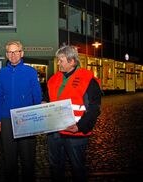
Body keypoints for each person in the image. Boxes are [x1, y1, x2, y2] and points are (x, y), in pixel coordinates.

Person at [42, 45, 102, 182]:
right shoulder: (53, 79)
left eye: (61, 61)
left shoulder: (88, 79)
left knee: (78, 169)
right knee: (55, 168)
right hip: (54, 133)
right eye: (58, 60)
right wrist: (44, 102)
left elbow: (94, 108)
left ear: (72, 62)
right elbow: (47, 97)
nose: (58, 63)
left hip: (76, 134)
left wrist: (79, 127)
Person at [0, 41, 42, 182]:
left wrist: (37, 118)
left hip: (26, 118)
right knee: (9, 158)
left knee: (28, 158)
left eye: (16, 51)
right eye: (10, 52)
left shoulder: (30, 71)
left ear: (22, 53)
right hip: (7, 119)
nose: (13, 55)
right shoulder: (2, 72)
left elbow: (37, 95)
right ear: (6, 54)